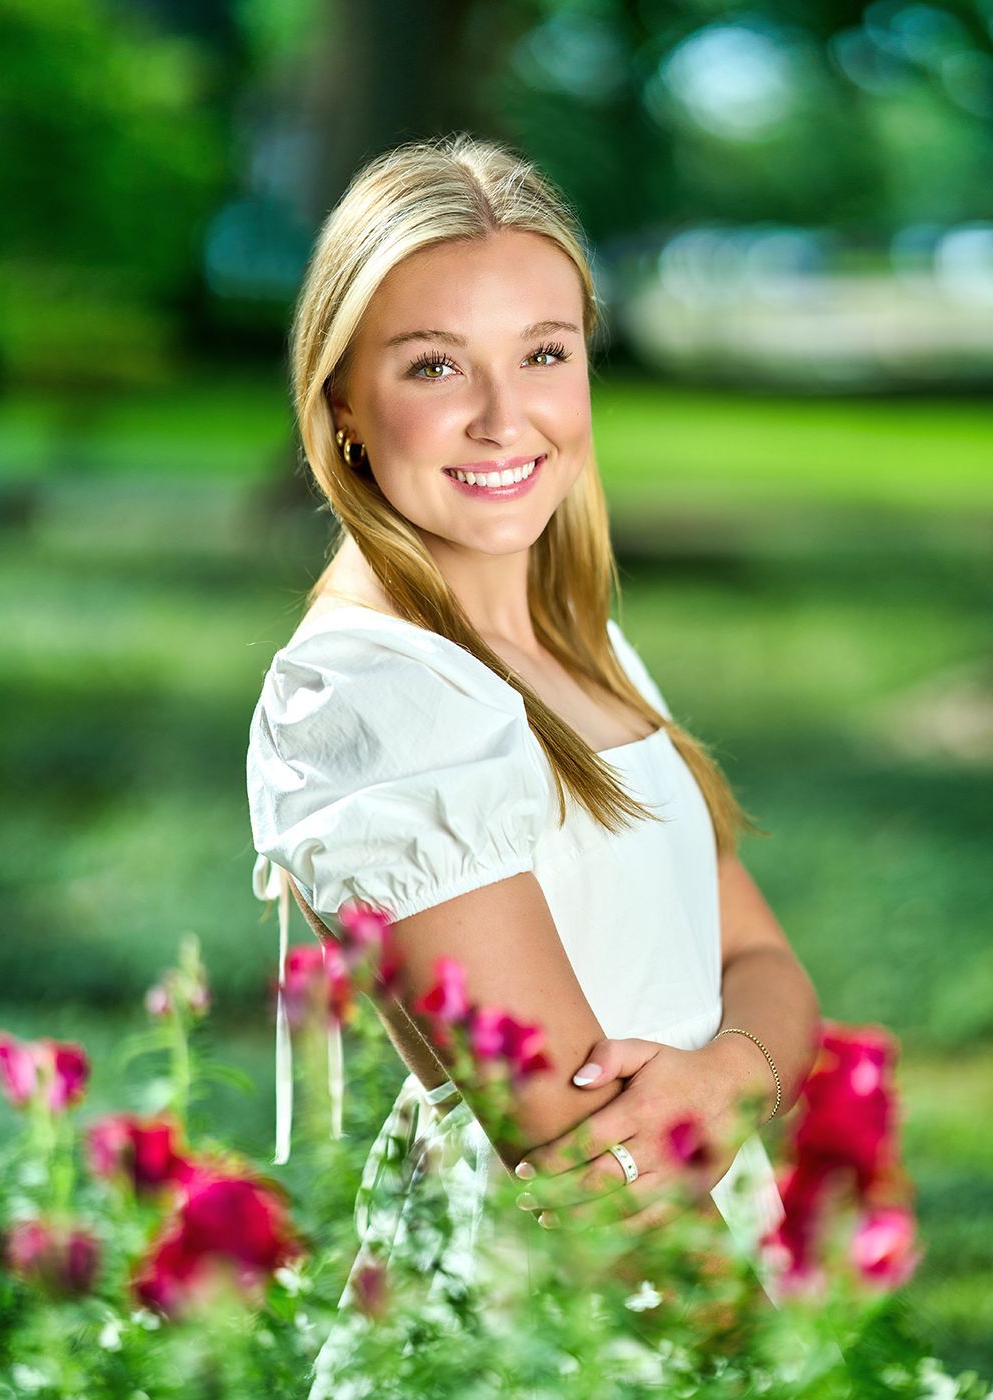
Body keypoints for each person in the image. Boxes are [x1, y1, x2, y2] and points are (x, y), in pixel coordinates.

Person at [246, 132, 822, 1396]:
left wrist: (728, 1073)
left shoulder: (578, 640)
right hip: (555, 1322)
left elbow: (766, 967)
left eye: (544, 353)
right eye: (435, 364)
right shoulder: (376, 694)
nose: (505, 417)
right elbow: (575, 1154)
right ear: (340, 394)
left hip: (696, 1268)